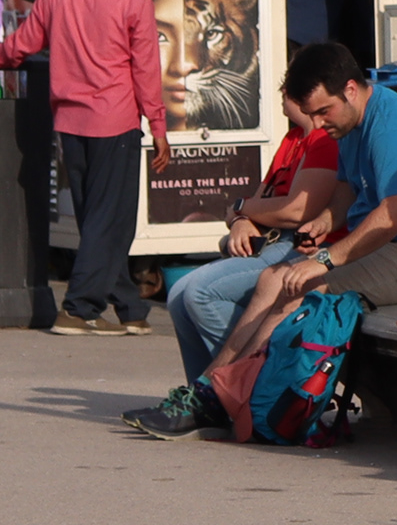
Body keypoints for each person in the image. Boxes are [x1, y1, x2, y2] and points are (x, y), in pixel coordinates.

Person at [173, 40, 397, 416]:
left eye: (323, 112)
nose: (318, 124)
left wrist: (325, 259)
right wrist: (325, 221)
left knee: (298, 284)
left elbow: (393, 216)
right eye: (311, 115)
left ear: (351, 89)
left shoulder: (393, 128)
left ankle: (229, 397)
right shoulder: (352, 120)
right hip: (389, 248)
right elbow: (346, 190)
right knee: (275, 278)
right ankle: (212, 387)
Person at [132, 91, 344, 436]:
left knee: (201, 292)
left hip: (298, 244)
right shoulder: (293, 138)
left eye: (285, 95)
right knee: (177, 295)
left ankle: (228, 395)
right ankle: (201, 400)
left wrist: (245, 209)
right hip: (272, 239)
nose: (280, 103)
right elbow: (258, 200)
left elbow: (297, 211)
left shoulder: (322, 141)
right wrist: (243, 219)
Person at [0, 0, 173, 334]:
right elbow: (146, 71)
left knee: (96, 218)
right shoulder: (134, 1)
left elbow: (21, 46)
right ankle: (77, 309)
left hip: (69, 122)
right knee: (109, 219)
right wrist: (159, 126)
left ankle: (130, 310)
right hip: (115, 120)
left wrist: (4, 56)